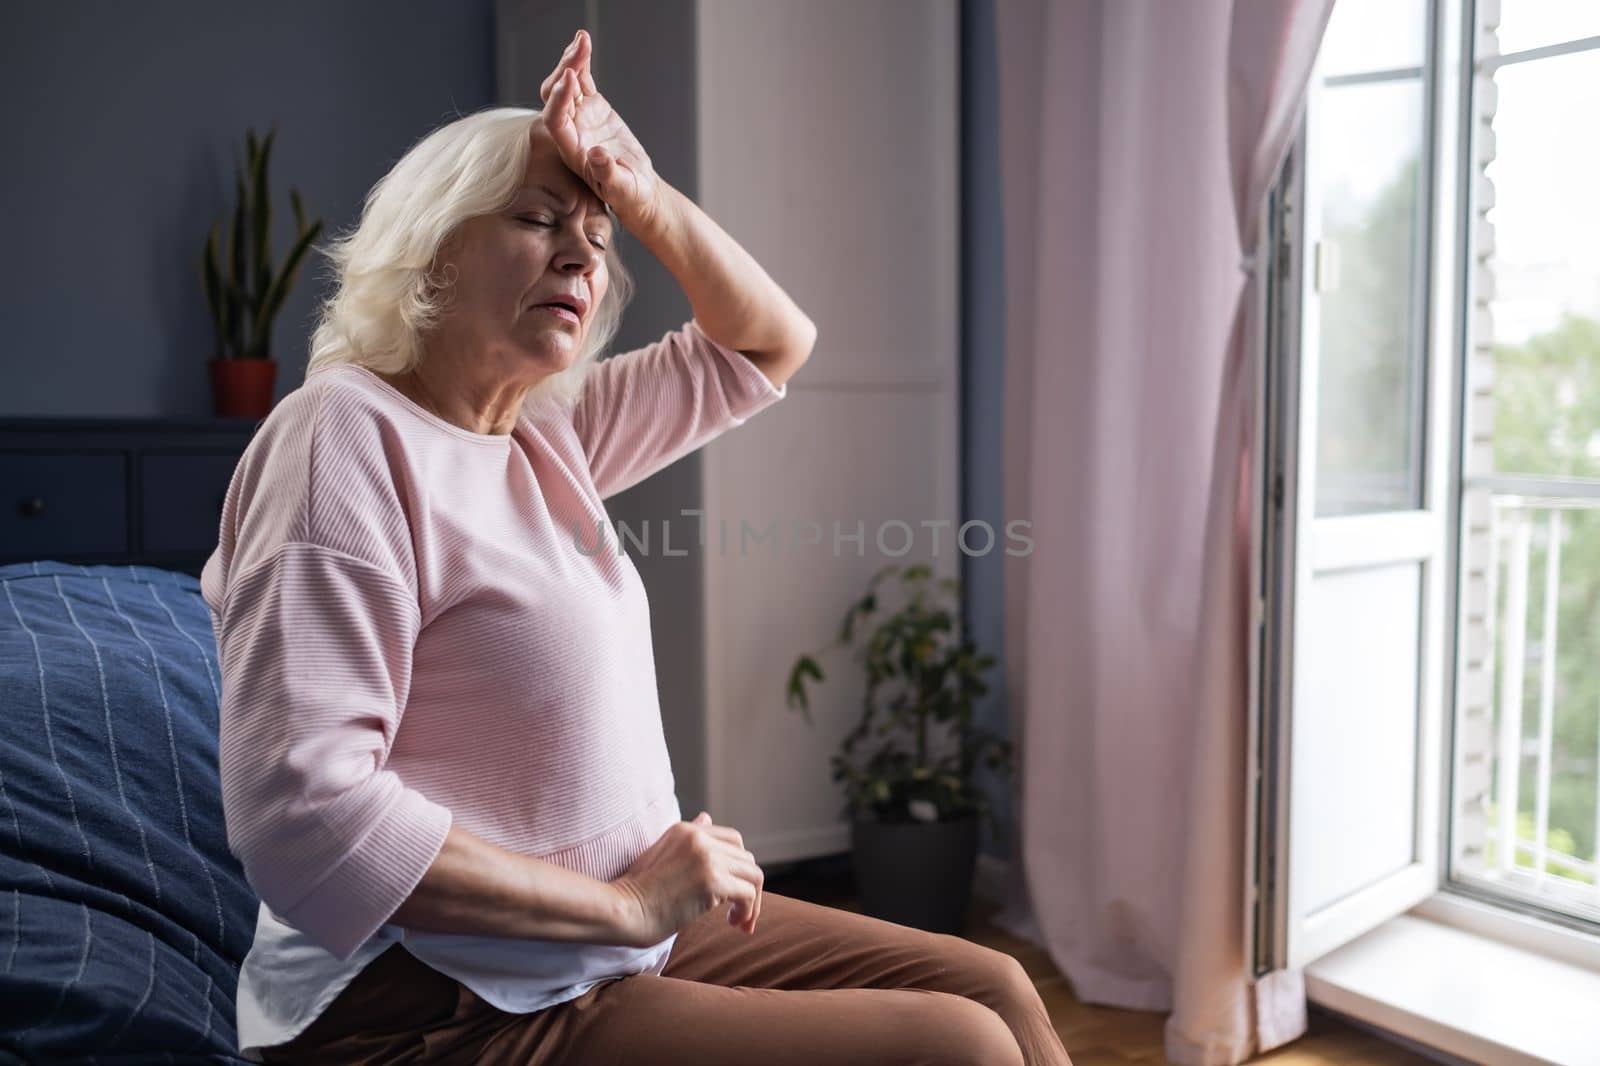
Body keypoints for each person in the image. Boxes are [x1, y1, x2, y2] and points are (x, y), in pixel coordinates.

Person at [201, 28, 1072, 1066]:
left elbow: (767, 340)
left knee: (997, 985)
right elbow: (305, 815)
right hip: (434, 995)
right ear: (430, 245)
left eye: (597, 238)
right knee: (955, 1048)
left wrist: (637, 188)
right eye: (536, 219)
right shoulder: (340, 435)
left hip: (616, 942)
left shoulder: (541, 428)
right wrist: (621, 901)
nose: (581, 252)